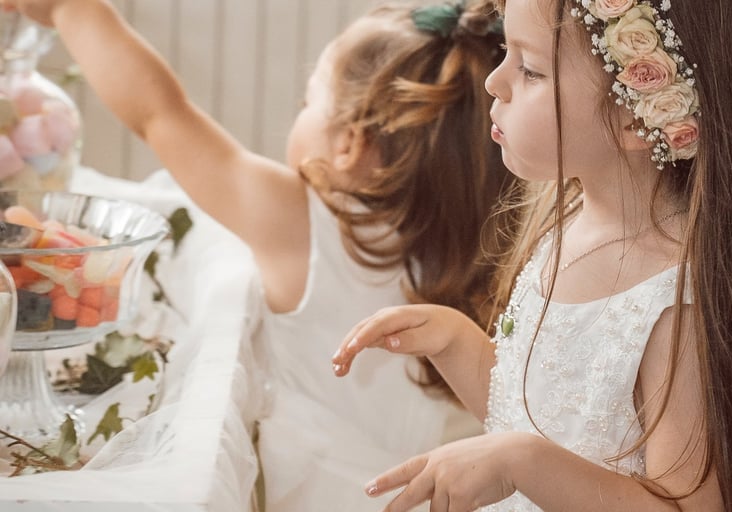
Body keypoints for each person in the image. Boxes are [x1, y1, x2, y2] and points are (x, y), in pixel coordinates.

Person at [0, 0, 519, 509]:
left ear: (348, 145)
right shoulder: (474, 257)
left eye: (308, 102)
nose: (300, 112)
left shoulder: (308, 227)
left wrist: (73, 10)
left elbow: (160, 115)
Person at [332, 0, 732, 510]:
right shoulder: (566, 223)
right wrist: (454, 341)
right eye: (504, 50)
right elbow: (541, 414)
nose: (494, 82)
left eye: (531, 69)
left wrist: (522, 462)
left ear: (635, 117)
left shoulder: (674, 302)